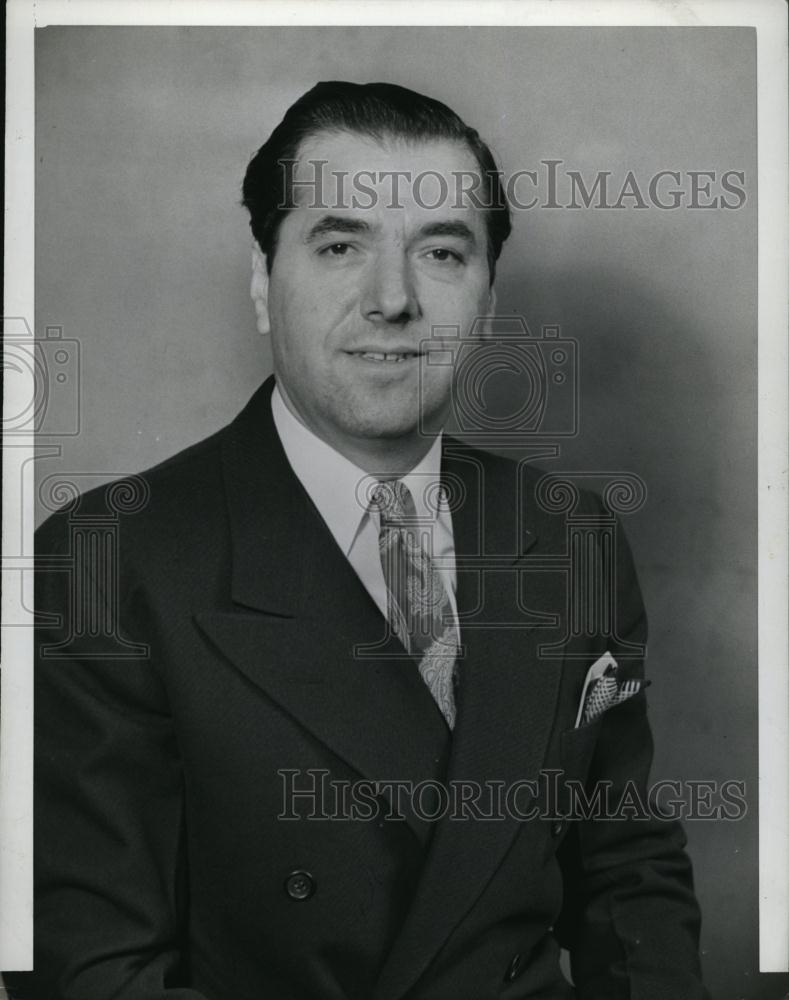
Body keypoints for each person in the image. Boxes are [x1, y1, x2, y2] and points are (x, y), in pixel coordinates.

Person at [5, 81, 708, 1000]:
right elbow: (93, 972)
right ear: (262, 283)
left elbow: (626, 874)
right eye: (340, 246)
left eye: (442, 252)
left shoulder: (567, 532)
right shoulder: (107, 558)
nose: (393, 300)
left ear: (488, 298)